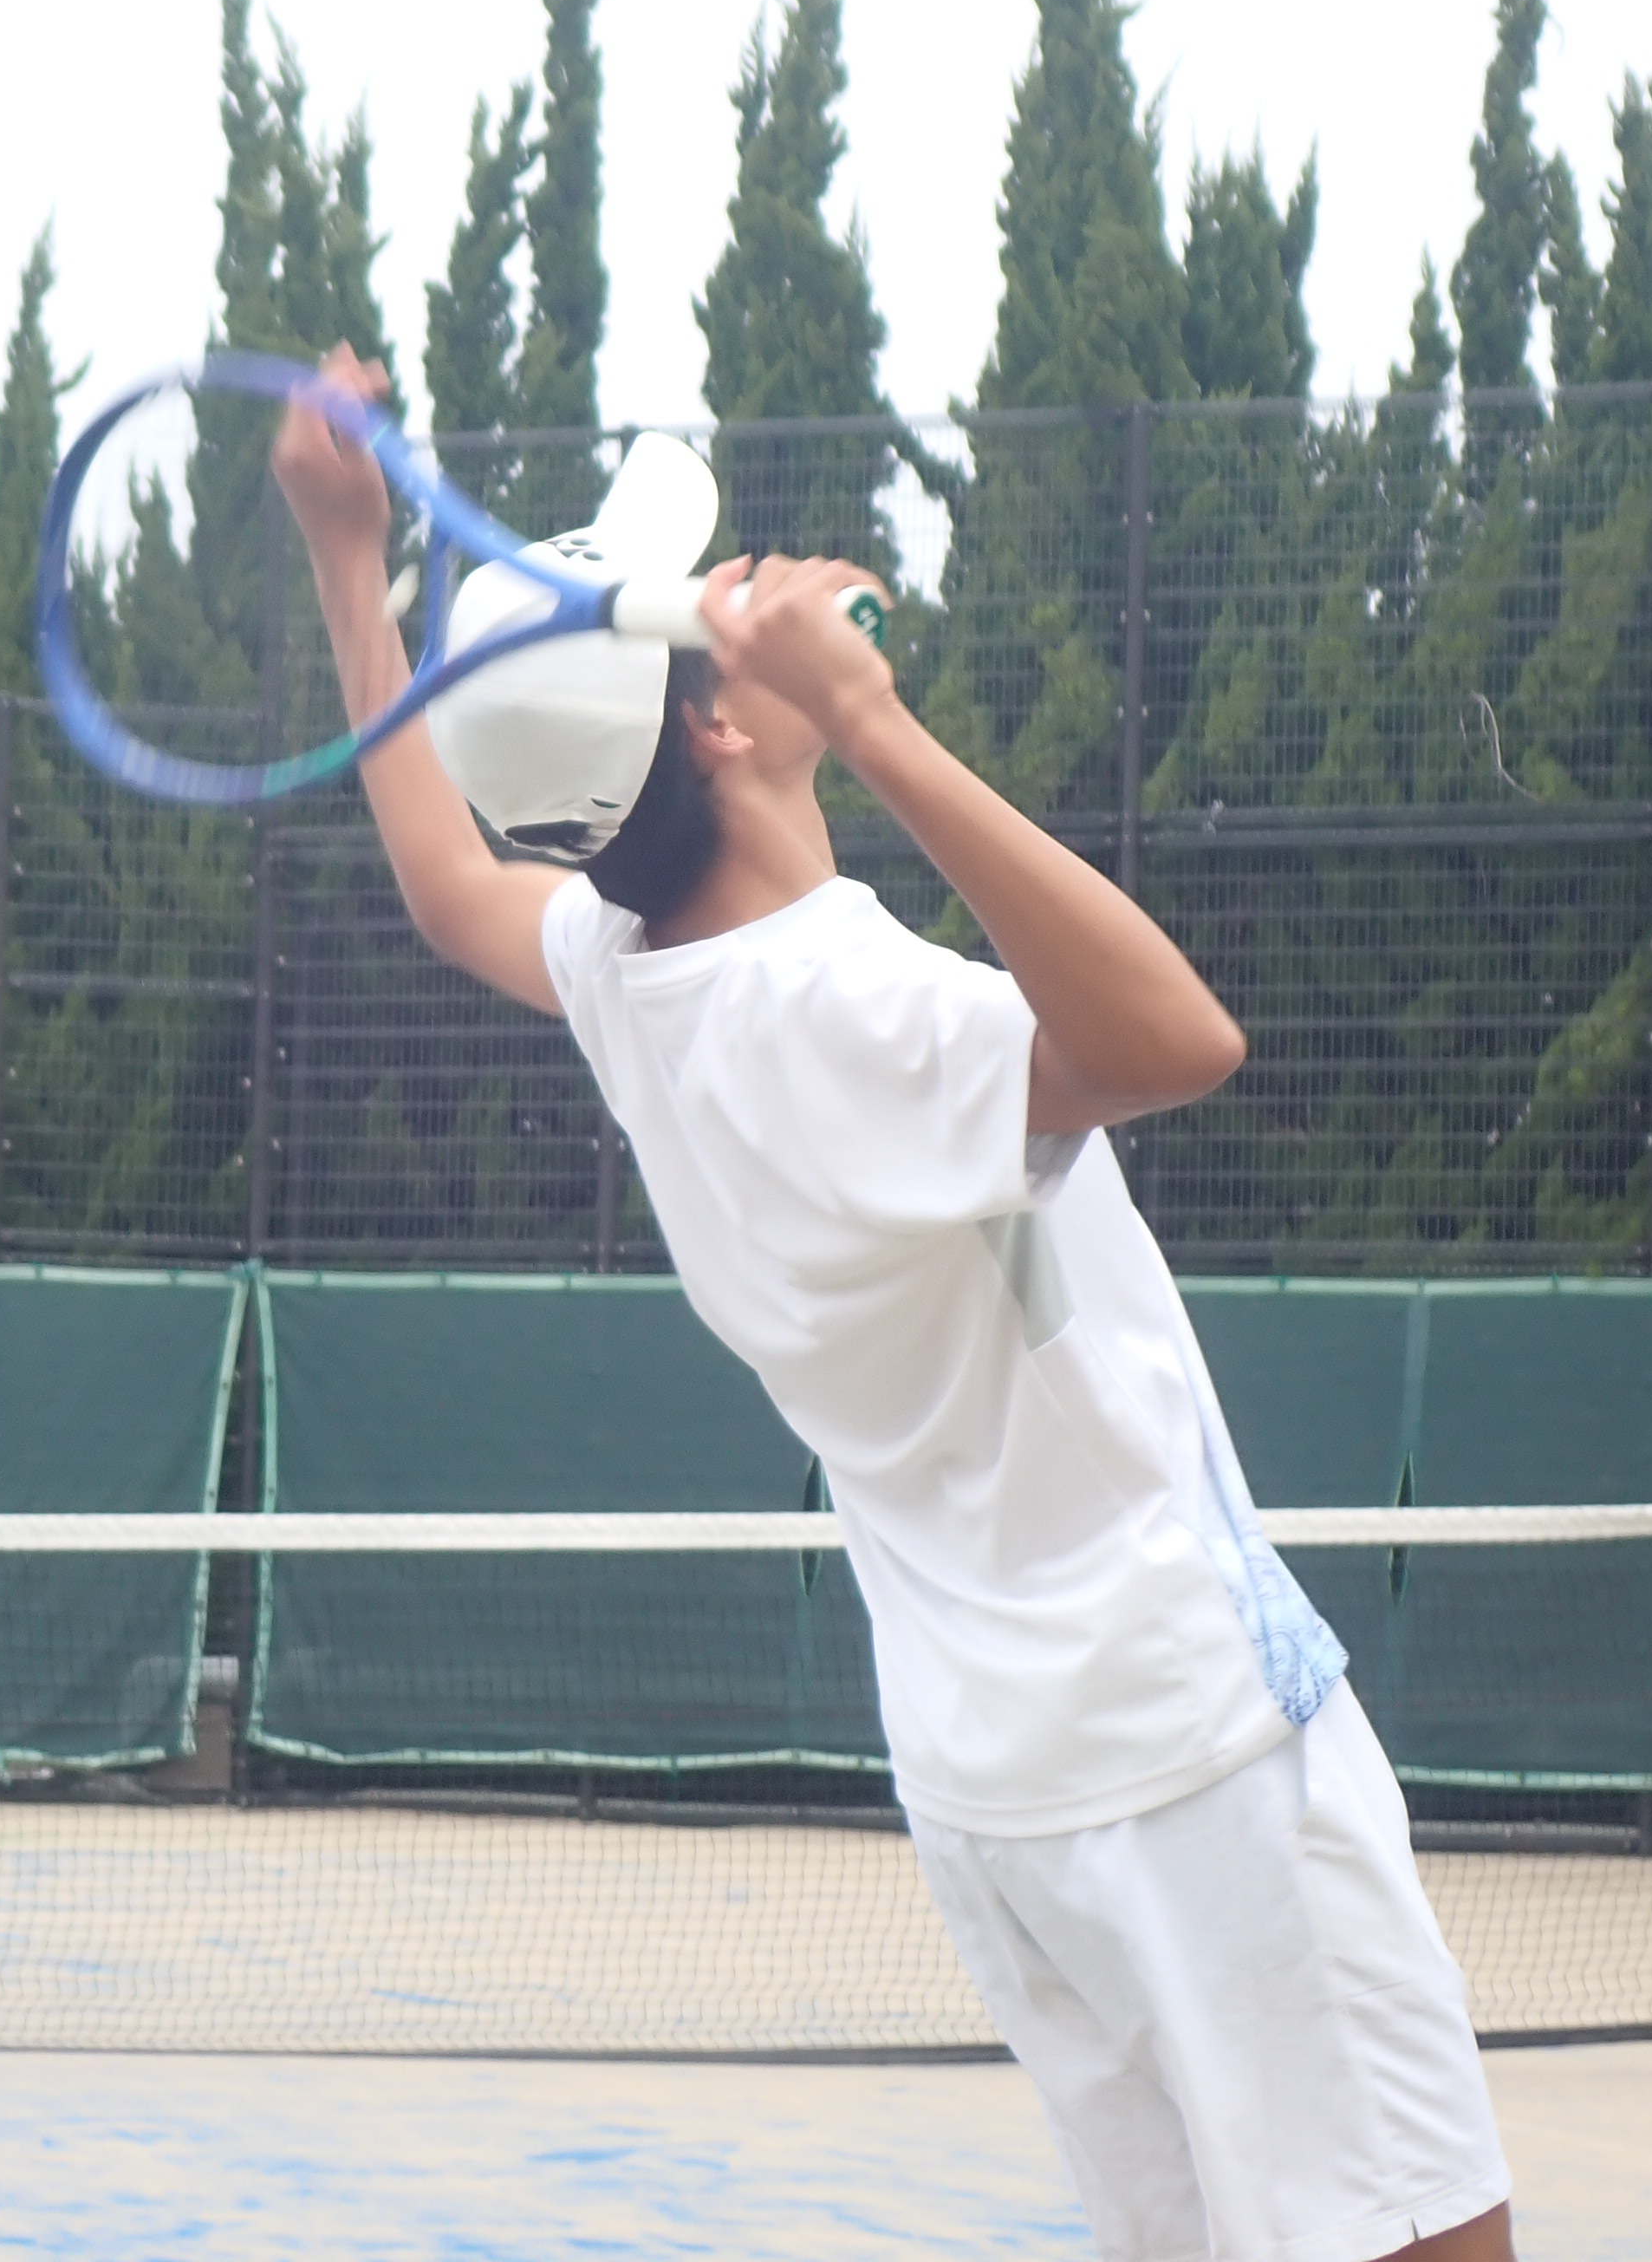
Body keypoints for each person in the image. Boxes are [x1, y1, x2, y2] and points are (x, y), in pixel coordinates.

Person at [272, 348, 1515, 2262]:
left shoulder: (627, 978)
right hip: (1190, 1749)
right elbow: (1178, 1040)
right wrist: (879, 727)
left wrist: (345, 560)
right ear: (717, 726)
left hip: (995, 1790)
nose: (747, 573)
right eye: (710, 591)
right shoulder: (853, 1009)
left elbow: (451, 882)